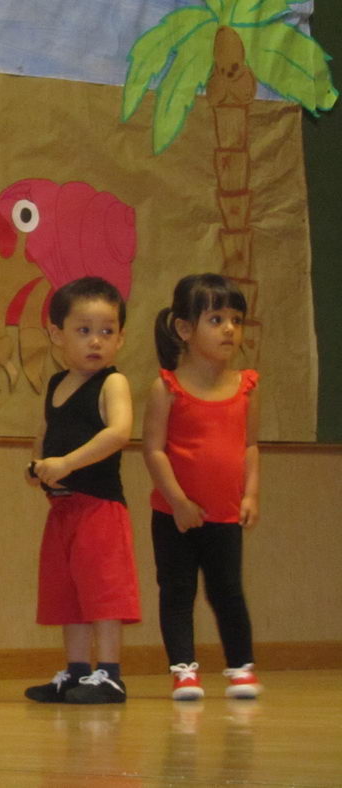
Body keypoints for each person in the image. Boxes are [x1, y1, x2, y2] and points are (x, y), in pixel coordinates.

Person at [143, 273, 262, 700]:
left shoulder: (246, 387)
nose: (230, 329)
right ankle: (184, 670)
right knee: (178, 590)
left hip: (225, 514)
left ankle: (241, 666)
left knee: (228, 589)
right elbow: (154, 450)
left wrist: (249, 494)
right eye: (216, 319)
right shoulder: (167, 389)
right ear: (184, 329)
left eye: (236, 319)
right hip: (175, 515)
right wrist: (178, 501)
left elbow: (249, 445)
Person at [23, 277, 139, 704]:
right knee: (67, 594)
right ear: (57, 334)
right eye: (84, 330)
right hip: (64, 509)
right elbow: (45, 433)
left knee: (103, 592)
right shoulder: (56, 385)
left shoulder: (113, 383)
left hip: (100, 509)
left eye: (107, 332)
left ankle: (109, 673)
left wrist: (68, 464)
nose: (96, 342)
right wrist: (38, 468)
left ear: (121, 338)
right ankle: (76, 672)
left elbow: (120, 433)